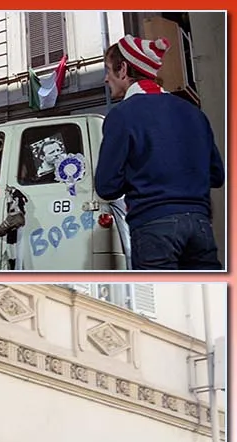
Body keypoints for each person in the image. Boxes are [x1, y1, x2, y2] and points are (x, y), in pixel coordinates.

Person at [94, 34, 224, 270]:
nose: (106, 78)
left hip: (153, 225)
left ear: (123, 69)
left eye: (108, 70)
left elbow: (106, 186)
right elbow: (217, 175)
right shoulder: (193, 112)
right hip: (200, 225)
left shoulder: (122, 115)